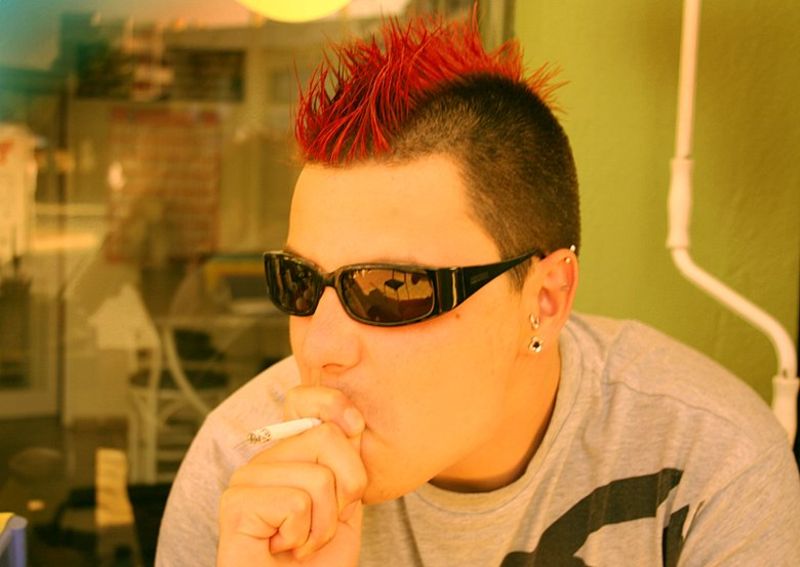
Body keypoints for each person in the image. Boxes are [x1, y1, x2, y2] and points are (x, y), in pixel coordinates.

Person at [156, 12, 800, 566]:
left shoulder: (709, 464)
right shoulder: (243, 479)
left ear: (545, 300)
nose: (321, 348)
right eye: (300, 283)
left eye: (390, 289)